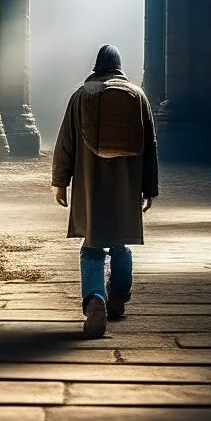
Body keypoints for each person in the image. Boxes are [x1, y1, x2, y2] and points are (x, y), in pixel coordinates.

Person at [51, 43, 159, 338]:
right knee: (120, 242)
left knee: (92, 245)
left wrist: (60, 182)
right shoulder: (138, 97)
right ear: (119, 67)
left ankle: (95, 299)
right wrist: (150, 188)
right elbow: (150, 147)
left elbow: (66, 143)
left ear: (97, 66)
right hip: (127, 184)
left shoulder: (81, 97)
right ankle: (119, 297)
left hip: (90, 183)